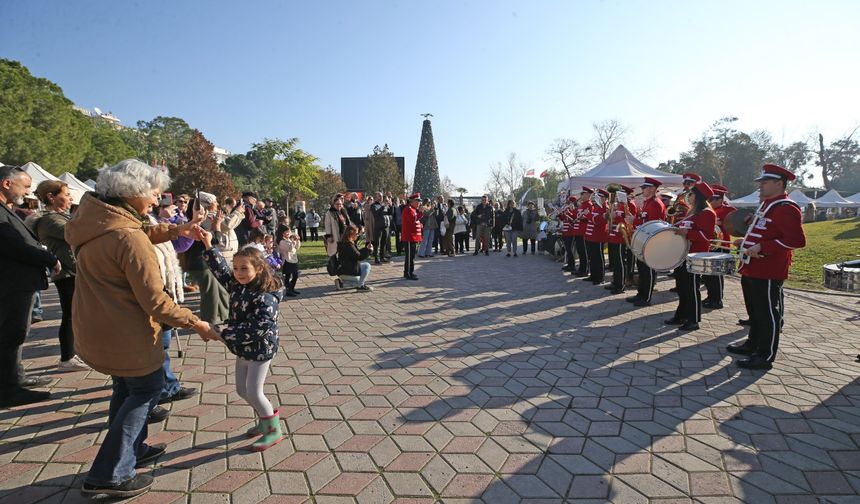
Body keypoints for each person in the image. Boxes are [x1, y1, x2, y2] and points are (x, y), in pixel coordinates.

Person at [66, 159, 214, 498]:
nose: (157, 199)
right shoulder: (127, 237)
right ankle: (109, 474)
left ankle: (134, 449)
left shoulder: (94, 221)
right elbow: (156, 301)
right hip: (127, 334)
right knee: (145, 391)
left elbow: (140, 231)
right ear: (131, 193)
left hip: (99, 329)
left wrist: (178, 229)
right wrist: (197, 323)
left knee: (126, 388)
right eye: (153, 192)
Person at [201, 232, 285, 451]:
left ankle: (273, 430)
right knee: (241, 389)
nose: (238, 273)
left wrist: (223, 334)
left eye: (244, 268)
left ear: (258, 269)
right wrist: (209, 245)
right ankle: (264, 419)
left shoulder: (265, 296)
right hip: (243, 348)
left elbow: (259, 327)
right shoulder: (238, 285)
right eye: (236, 268)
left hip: (260, 348)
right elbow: (221, 272)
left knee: (255, 392)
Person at [727, 164, 806, 370]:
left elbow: (796, 240)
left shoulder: (786, 208)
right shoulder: (767, 205)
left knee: (767, 312)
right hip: (752, 265)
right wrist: (744, 243)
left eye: (765, 182)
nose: (760, 185)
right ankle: (753, 343)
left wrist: (762, 247)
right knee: (754, 310)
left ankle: (765, 355)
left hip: (769, 269)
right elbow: (763, 232)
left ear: (779, 183)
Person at [0, 165, 59, 408]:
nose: (28, 192)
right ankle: (8, 390)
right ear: (6, 183)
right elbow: (14, 245)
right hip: (11, 282)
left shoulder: (6, 209)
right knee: (11, 334)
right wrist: (49, 258)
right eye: (24, 186)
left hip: (16, 281)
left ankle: (16, 377)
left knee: (16, 333)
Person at [33, 181, 89, 370]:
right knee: (71, 316)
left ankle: (75, 353)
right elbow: (76, 233)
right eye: (66, 194)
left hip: (73, 271)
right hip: (67, 273)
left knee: (77, 315)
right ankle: (67, 358)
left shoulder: (60, 216)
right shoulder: (50, 220)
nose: (70, 198)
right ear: (51, 196)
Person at [664, 182, 717, 331]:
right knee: (682, 287)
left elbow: (707, 236)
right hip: (683, 254)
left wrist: (687, 233)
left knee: (691, 289)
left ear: (698, 196)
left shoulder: (707, 213)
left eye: (691, 194)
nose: (689, 197)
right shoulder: (693, 212)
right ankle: (681, 315)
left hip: (695, 255)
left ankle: (693, 320)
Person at [185, 192, 230, 325]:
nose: (217, 205)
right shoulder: (197, 222)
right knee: (210, 294)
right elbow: (211, 240)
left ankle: (226, 316)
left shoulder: (203, 220)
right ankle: (208, 323)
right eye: (214, 203)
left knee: (221, 290)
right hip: (200, 263)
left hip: (206, 261)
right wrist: (216, 226)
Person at [626, 177, 667, 307]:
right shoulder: (647, 202)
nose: (642, 190)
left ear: (653, 189)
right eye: (642, 187)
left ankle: (646, 297)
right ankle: (640, 294)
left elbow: (652, 224)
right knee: (642, 269)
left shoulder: (655, 203)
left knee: (647, 270)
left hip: (651, 241)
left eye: (645, 188)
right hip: (645, 239)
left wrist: (635, 221)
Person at [702, 185, 735, 309]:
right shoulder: (708, 209)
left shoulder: (728, 209)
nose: (709, 202)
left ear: (720, 199)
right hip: (710, 245)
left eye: (712, 199)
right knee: (708, 274)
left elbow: (736, 224)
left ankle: (717, 299)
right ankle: (711, 297)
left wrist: (723, 223)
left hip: (721, 245)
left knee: (716, 274)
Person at [336, 225, 374, 291]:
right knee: (367, 266)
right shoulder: (348, 245)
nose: (357, 235)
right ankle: (360, 286)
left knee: (360, 275)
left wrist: (366, 249)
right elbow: (359, 257)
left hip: (342, 269)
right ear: (351, 234)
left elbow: (357, 252)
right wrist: (369, 251)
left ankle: (342, 283)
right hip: (347, 270)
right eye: (356, 233)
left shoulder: (343, 242)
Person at [584, 189, 609, 284]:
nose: (596, 198)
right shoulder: (597, 207)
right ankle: (593, 275)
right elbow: (592, 219)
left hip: (598, 236)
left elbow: (598, 221)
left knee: (598, 258)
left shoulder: (605, 208)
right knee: (593, 257)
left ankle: (600, 277)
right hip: (591, 236)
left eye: (599, 196)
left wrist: (589, 215)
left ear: (603, 198)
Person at [573, 188, 594, 277]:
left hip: (583, 231)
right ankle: (581, 269)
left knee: (584, 251)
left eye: (583, 194)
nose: (581, 196)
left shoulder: (589, 205)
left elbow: (590, 218)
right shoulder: (582, 205)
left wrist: (583, 218)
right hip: (578, 231)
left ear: (588, 195)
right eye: (581, 194)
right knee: (580, 251)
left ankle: (584, 270)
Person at [401, 193, 422, 280]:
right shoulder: (408, 209)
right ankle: (408, 273)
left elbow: (415, 221)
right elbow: (413, 220)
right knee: (409, 256)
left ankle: (409, 272)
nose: (419, 204)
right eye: (418, 201)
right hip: (409, 237)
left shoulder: (412, 210)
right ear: (412, 202)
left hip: (412, 237)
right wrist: (421, 212)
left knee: (412, 256)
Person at [278, 227, 301, 297]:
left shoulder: (290, 240)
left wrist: (297, 240)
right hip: (287, 261)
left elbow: (297, 247)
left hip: (294, 260)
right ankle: (288, 290)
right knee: (288, 276)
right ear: (282, 233)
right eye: (286, 232)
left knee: (295, 275)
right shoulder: (282, 242)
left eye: (289, 232)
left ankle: (292, 288)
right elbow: (289, 248)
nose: (288, 233)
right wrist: (293, 242)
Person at [558, 195, 578, 272]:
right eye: (568, 202)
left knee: (569, 249)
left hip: (571, 232)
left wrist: (568, 212)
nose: (568, 204)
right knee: (567, 249)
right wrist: (560, 213)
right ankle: (569, 264)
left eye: (569, 202)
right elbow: (563, 219)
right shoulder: (568, 210)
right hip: (565, 232)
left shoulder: (575, 210)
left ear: (573, 203)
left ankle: (572, 265)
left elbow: (573, 219)